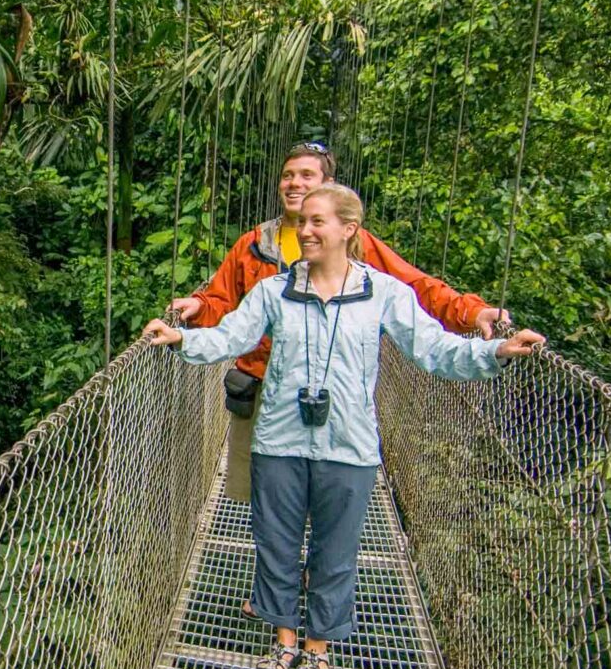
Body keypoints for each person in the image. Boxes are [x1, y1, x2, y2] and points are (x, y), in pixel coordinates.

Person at [144, 183, 544, 669]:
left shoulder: (385, 294)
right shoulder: (274, 291)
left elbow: (434, 350)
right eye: (301, 223)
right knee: (276, 544)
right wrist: (182, 338)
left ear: (348, 230)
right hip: (279, 440)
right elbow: (233, 337)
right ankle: (284, 641)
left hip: (350, 446)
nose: (305, 231)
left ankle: (318, 652)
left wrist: (496, 353)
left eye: (317, 222)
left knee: (335, 552)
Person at [173, 141, 509, 503]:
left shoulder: (354, 242)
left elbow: (413, 287)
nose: (294, 184)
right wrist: (196, 306)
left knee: (321, 503)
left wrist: (469, 312)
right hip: (261, 390)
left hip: (331, 396)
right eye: (287, 176)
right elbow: (224, 303)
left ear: (327, 184)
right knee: (258, 495)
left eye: (306, 175)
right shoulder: (255, 243)